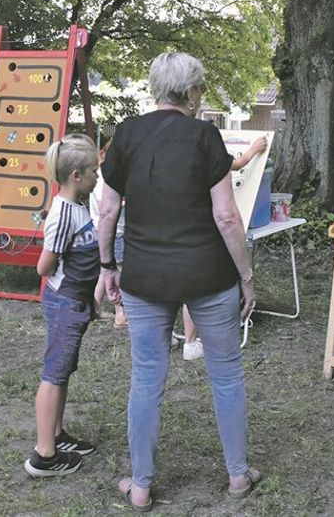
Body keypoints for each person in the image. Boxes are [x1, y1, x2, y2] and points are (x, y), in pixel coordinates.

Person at [97, 52, 261, 510]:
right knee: (226, 374)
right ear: (191, 93)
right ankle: (237, 476)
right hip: (209, 275)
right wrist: (247, 277)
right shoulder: (205, 136)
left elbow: (107, 210)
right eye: (201, 89)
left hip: (145, 277)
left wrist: (108, 266)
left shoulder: (127, 133)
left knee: (146, 378)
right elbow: (227, 216)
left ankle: (142, 486)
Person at [24, 133, 100, 478]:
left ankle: (57, 434)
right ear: (76, 177)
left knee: (64, 370)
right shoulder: (63, 213)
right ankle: (44, 455)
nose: (98, 177)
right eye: (94, 172)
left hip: (76, 301)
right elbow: (44, 266)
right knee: (54, 374)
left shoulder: (80, 204)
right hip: (63, 302)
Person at [181, 135, 268, 361]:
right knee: (199, 288)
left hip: (183, 233)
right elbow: (239, 164)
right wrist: (255, 148)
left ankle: (191, 338)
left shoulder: (181, 160)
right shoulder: (212, 157)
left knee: (190, 288)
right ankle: (193, 341)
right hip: (208, 232)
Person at [89, 137, 127, 326]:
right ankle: (120, 312)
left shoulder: (101, 173)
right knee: (119, 272)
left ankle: (94, 308)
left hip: (104, 230)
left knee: (105, 272)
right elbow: (105, 205)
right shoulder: (106, 176)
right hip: (113, 232)